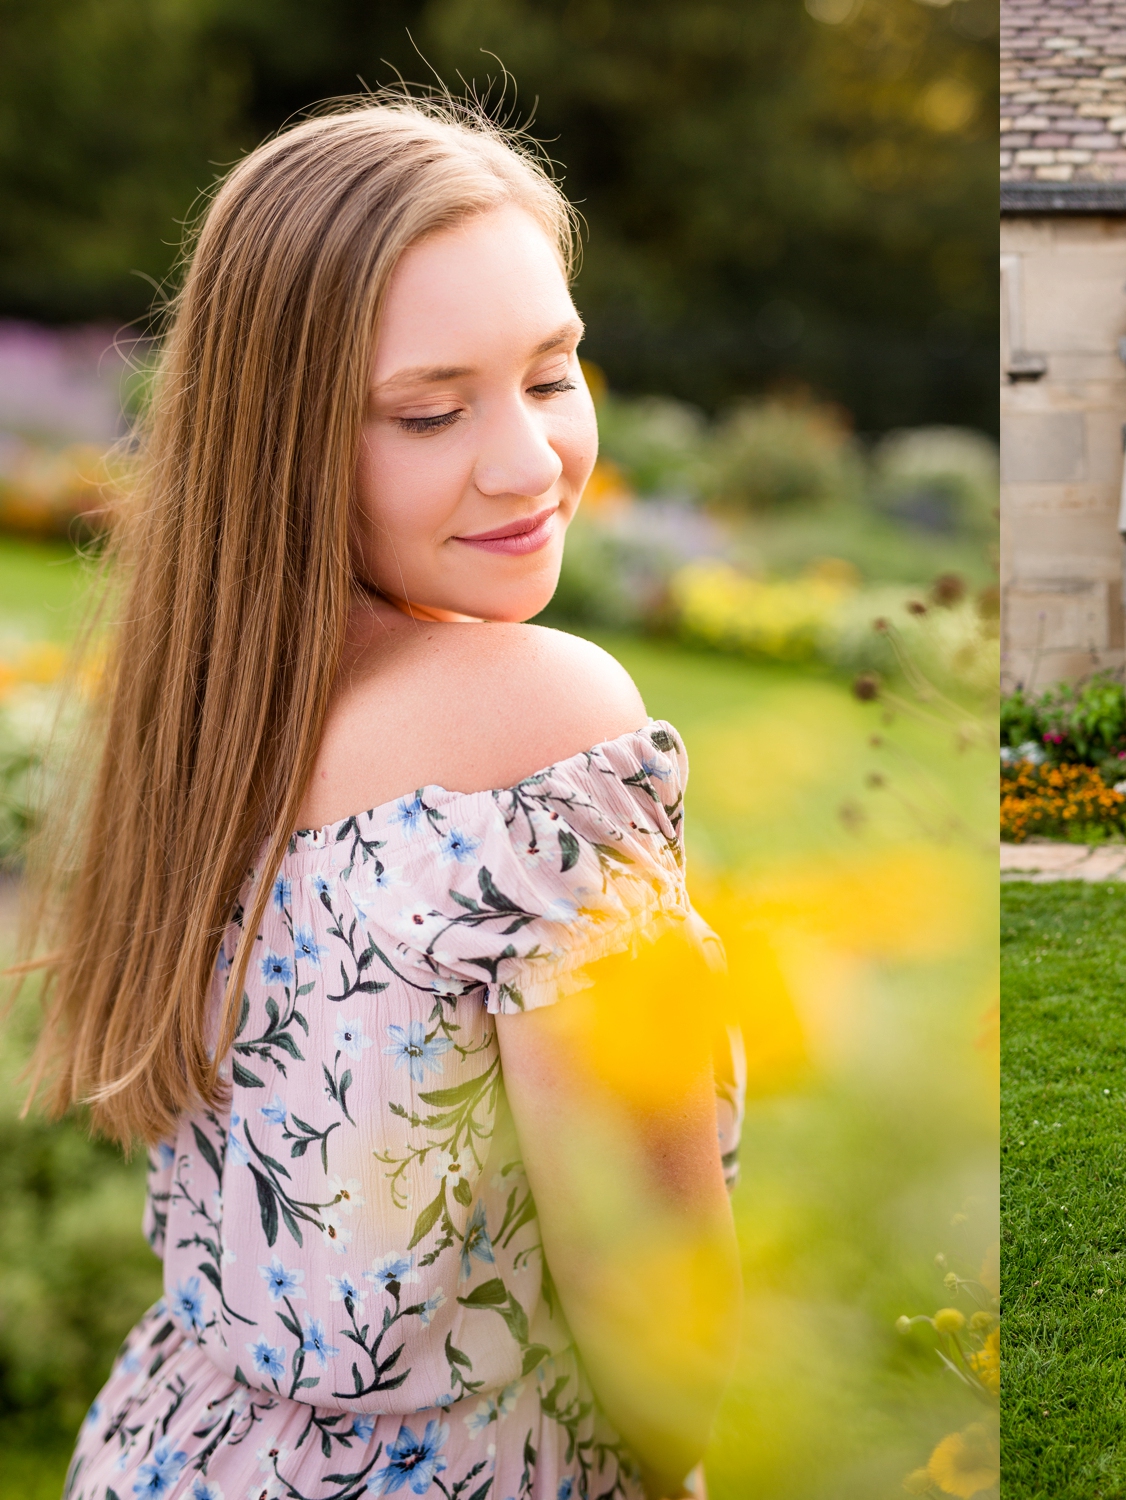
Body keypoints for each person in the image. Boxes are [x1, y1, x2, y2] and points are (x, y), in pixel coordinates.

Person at [27, 99, 741, 1495]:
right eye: (431, 410)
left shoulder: (202, 710)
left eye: (551, 374)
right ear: (284, 438)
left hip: (171, 1447)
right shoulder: (545, 729)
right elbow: (674, 1370)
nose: (530, 461)